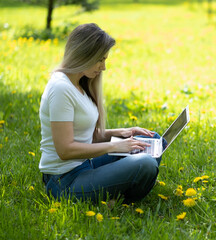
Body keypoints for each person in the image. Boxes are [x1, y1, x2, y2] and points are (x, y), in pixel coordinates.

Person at [39, 23, 165, 203]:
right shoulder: (61, 88)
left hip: (85, 165)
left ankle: (113, 193)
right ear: (84, 54)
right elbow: (65, 150)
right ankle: (119, 199)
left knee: (154, 141)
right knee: (145, 163)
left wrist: (122, 133)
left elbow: (83, 136)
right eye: (100, 59)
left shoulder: (79, 83)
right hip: (65, 181)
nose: (103, 67)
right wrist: (115, 146)